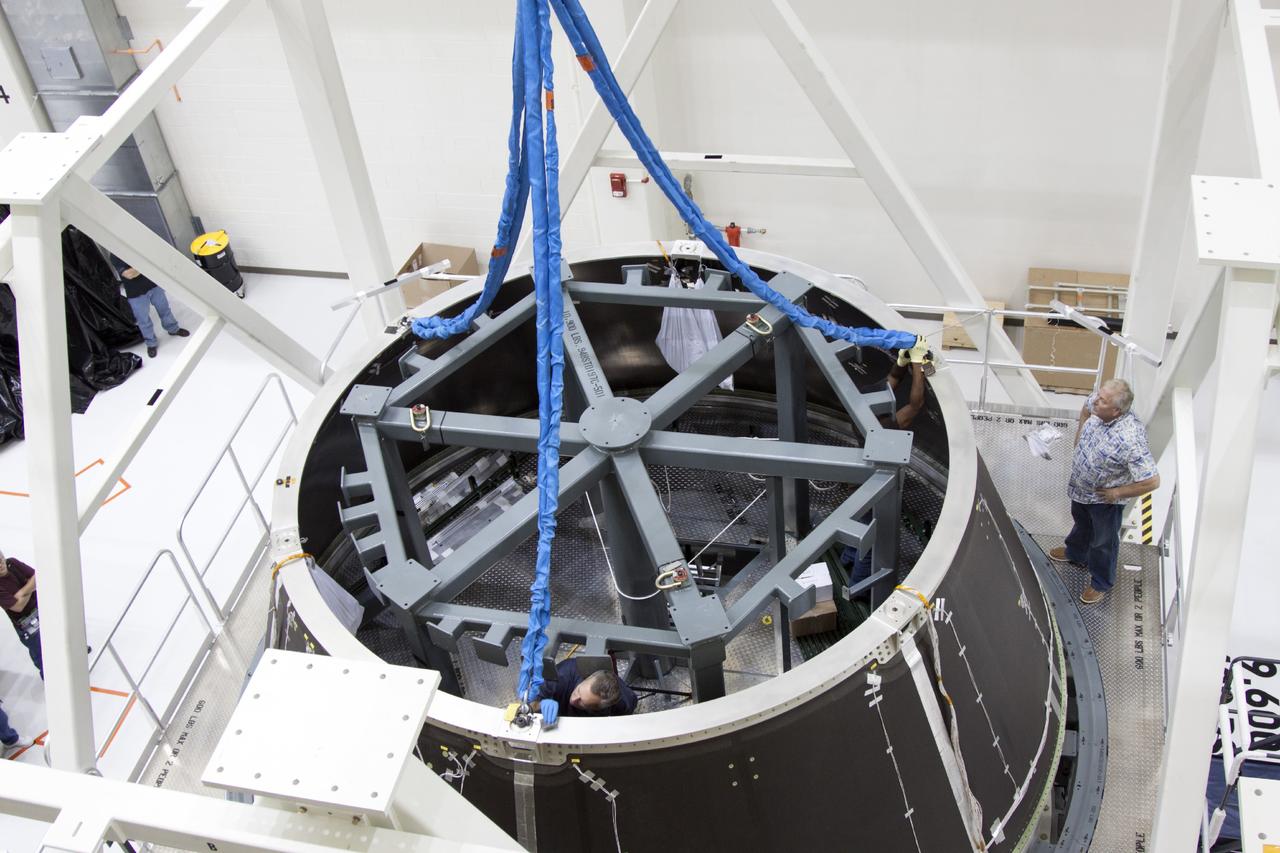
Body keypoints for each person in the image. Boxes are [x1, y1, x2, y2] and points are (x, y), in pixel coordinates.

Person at [1050, 378, 1159, 605]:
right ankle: (1076, 553)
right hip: (1081, 490)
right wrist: (1079, 439)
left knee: (1103, 542)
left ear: (1116, 410)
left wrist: (1117, 493)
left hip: (1103, 501)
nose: (1095, 401)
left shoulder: (1131, 438)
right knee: (1081, 523)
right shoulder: (1099, 405)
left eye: (1102, 401)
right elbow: (1086, 408)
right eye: (1098, 397)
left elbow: (1152, 481)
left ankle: (1101, 582)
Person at [113, 258, 189, 358]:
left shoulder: (139, 245)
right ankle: (151, 343)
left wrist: (140, 267)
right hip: (135, 294)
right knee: (143, 320)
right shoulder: (115, 256)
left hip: (154, 286)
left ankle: (173, 329)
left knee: (164, 310)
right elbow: (129, 274)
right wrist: (146, 264)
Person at [538, 659, 637, 717]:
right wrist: (540, 704)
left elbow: (629, 707)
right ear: (586, 678)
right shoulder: (559, 678)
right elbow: (530, 703)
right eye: (578, 692)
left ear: (597, 708)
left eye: (582, 703)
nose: (574, 700)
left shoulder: (623, 703)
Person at [0, 549, 41, 678]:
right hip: (26, 625)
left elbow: (38, 577)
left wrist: (22, 593)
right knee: (41, 657)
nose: (0, 566)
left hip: (41, 610)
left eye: (0, 560)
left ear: (3, 557)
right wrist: (31, 586)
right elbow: (18, 606)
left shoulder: (12, 563)